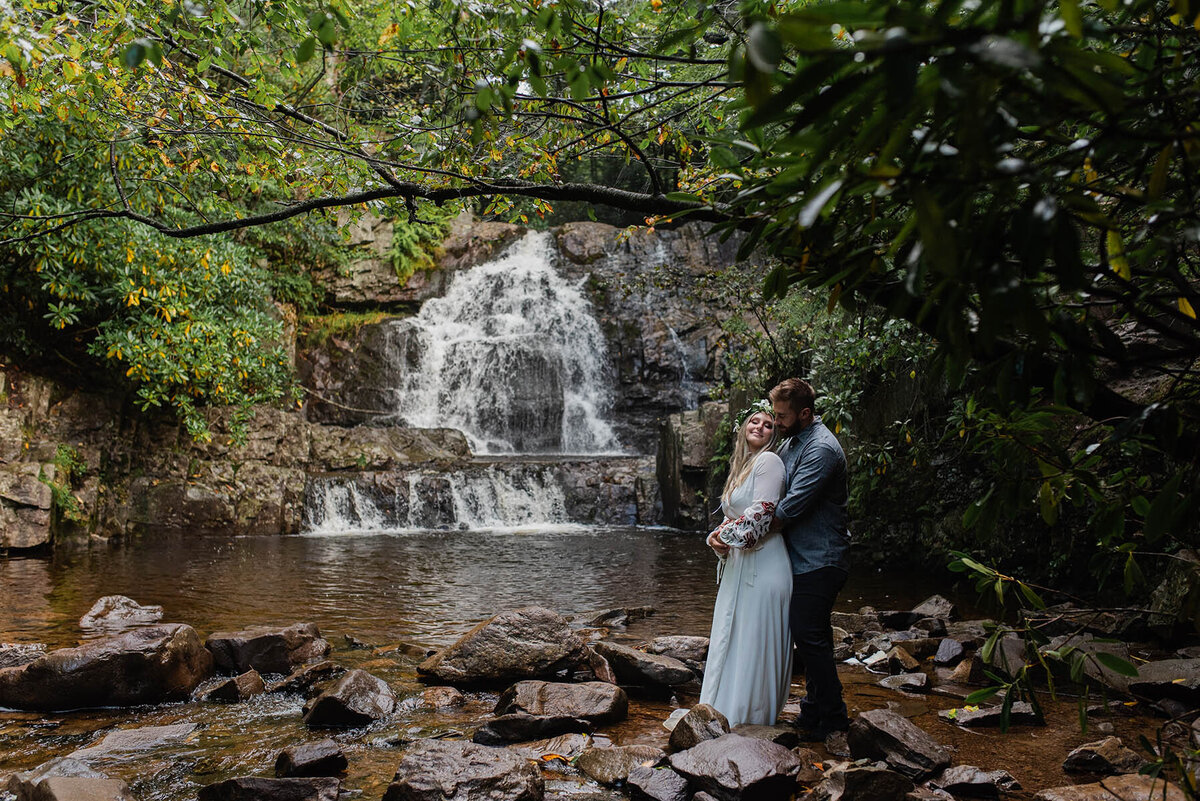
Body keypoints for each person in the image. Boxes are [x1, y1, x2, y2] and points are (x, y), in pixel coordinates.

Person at [698, 399, 793, 726]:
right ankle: (722, 713)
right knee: (733, 635)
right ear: (744, 427)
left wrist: (727, 537)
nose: (760, 427)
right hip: (742, 563)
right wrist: (718, 538)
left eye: (768, 424)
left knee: (751, 640)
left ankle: (749, 720)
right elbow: (737, 518)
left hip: (763, 565)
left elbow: (763, 513)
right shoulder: (744, 466)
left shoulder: (769, 461)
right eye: (755, 421)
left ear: (773, 434)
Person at [769, 377, 852, 739]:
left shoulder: (820, 449)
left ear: (805, 413)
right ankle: (814, 710)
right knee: (814, 635)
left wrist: (742, 532)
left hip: (821, 558)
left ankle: (834, 716)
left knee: (808, 634)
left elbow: (791, 506)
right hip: (802, 558)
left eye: (781, 415)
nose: (775, 421)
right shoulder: (791, 442)